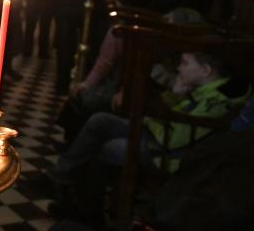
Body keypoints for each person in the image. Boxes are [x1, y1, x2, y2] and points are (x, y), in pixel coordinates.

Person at [51, 52, 250, 223]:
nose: (179, 68)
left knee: (109, 147)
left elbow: (173, 139)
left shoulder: (219, 99)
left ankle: (89, 211)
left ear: (206, 70)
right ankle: (62, 178)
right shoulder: (205, 87)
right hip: (158, 133)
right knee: (100, 120)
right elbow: (173, 116)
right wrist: (174, 95)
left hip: (169, 154)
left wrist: (154, 114)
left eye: (185, 63)